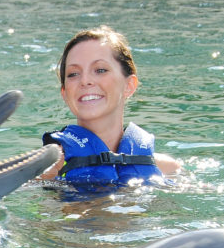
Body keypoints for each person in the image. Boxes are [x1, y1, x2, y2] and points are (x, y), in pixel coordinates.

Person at [39, 26, 180, 188]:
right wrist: (46, 182)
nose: (85, 80)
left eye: (100, 70)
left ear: (129, 85)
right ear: (64, 93)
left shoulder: (168, 170)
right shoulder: (43, 173)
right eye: (73, 74)